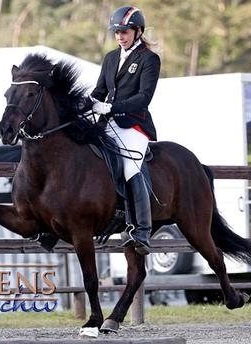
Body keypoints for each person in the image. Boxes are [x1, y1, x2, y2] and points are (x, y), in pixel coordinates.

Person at [90, 5, 161, 255]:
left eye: (125, 31)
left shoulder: (149, 59)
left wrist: (110, 107)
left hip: (134, 123)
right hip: (107, 122)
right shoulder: (110, 58)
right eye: (117, 32)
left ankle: (141, 230)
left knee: (131, 166)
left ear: (138, 31)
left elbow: (143, 98)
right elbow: (99, 90)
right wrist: (86, 102)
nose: (120, 36)